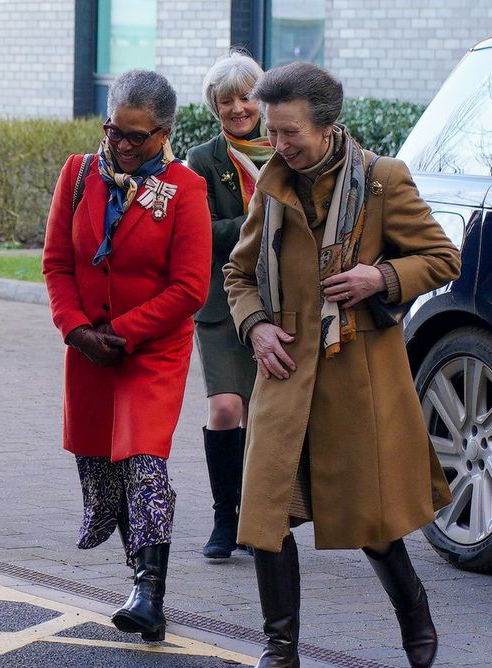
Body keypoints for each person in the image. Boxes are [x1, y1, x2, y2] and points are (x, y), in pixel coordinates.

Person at [222, 62, 461, 668]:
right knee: (266, 515)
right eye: (271, 132)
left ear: (328, 127)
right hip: (282, 367)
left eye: (290, 132)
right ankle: (279, 654)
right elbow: (238, 275)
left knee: (368, 517)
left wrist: (379, 278)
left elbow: (442, 258)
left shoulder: (383, 182)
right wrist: (256, 327)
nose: (277, 145)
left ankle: (412, 605)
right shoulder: (270, 184)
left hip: (354, 373)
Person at [42, 69, 212, 642]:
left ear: (163, 133)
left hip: (151, 348)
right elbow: (57, 263)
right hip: (89, 347)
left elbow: (190, 288)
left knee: (143, 462)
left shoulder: (185, 189)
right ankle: (133, 575)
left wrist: (122, 331)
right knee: (103, 467)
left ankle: (148, 593)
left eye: (137, 137)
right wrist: (75, 328)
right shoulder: (78, 173)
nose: (121, 145)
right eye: (115, 130)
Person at [185, 51, 272, 560]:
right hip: (221, 302)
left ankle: (260, 521)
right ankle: (225, 518)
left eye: (245, 97)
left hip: (280, 303)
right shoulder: (204, 159)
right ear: (214, 107)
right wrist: (259, 223)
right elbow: (200, 233)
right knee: (226, 407)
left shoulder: (286, 150)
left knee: (266, 416)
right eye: (226, 101)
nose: (238, 108)